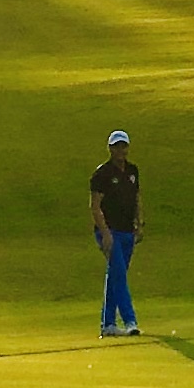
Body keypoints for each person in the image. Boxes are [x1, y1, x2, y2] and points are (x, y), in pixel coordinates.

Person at [88, 128, 141, 337]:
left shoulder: (132, 171)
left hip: (128, 231)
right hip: (109, 232)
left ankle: (108, 323)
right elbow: (95, 206)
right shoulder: (102, 174)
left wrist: (139, 223)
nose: (121, 150)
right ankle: (130, 320)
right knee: (118, 273)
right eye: (117, 146)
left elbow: (137, 198)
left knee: (116, 276)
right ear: (110, 148)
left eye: (123, 146)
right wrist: (105, 233)